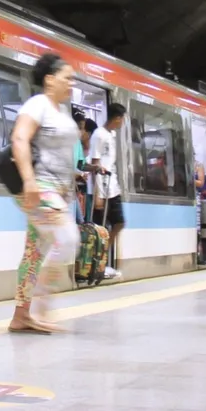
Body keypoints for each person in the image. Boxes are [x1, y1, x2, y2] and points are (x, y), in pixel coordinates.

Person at [7, 53, 81, 335]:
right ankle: (42, 304)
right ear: (50, 80)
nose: (71, 84)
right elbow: (19, 138)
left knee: (34, 253)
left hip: (56, 191)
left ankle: (21, 315)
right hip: (39, 187)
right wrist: (29, 181)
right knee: (67, 239)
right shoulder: (37, 105)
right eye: (68, 78)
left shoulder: (59, 111)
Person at [87, 103, 126, 280]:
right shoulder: (99, 135)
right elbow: (95, 164)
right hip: (101, 188)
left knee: (119, 222)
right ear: (117, 118)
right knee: (99, 229)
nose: (122, 122)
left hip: (113, 187)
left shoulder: (112, 134)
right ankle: (97, 265)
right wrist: (97, 195)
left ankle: (102, 259)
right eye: (122, 118)